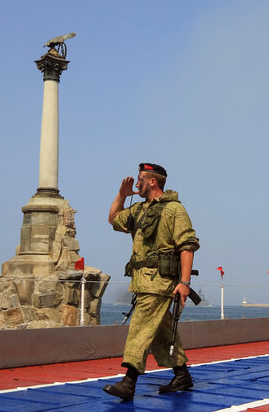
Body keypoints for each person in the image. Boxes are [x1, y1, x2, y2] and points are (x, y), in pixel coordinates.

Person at [104, 163, 200, 401]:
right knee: (159, 330)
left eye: (140, 179)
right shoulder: (138, 210)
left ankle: (129, 381)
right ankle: (181, 374)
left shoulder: (174, 210)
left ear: (152, 182)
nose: (136, 184)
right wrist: (121, 195)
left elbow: (187, 246)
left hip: (159, 281)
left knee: (140, 326)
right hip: (142, 281)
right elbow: (113, 219)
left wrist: (184, 283)